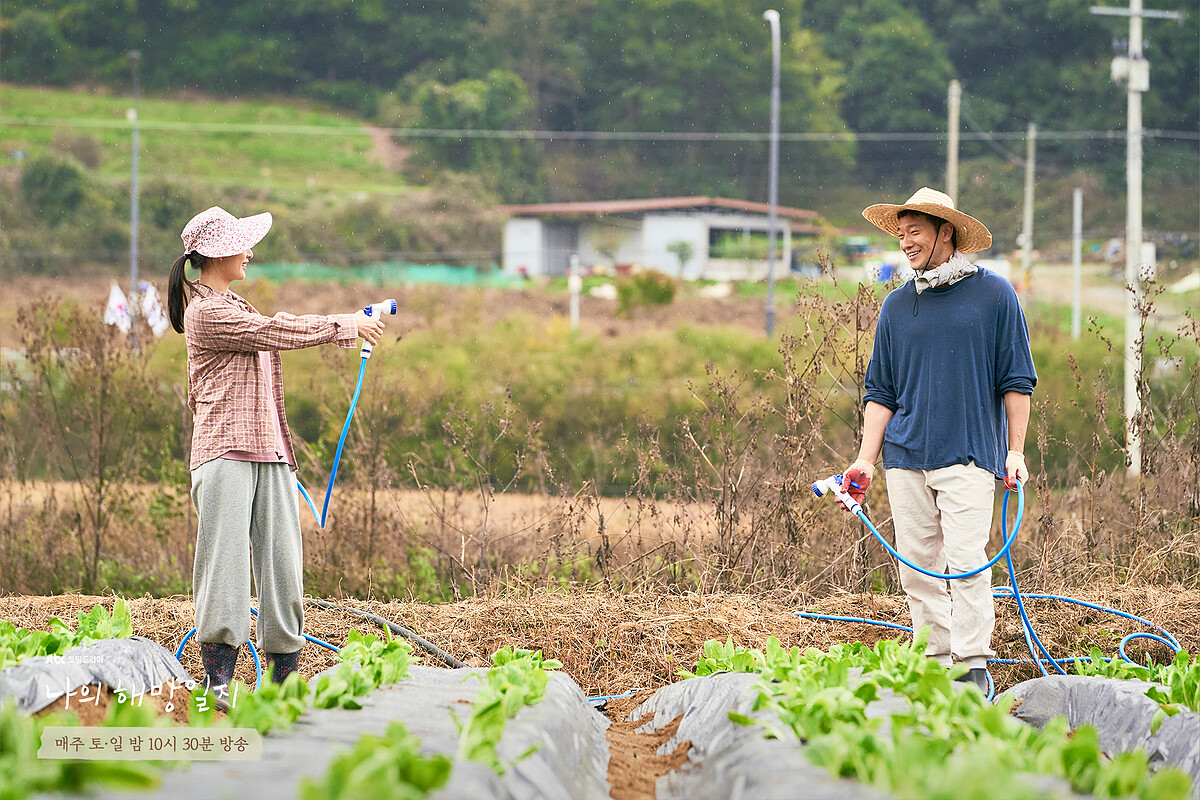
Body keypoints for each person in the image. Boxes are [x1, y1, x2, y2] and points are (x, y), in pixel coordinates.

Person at [166, 206, 385, 701]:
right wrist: (343, 324)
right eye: (243, 243)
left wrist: (344, 324)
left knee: (283, 564)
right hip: (225, 452)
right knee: (224, 566)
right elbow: (275, 332)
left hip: (270, 449)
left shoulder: (235, 305)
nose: (250, 251)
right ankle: (219, 680)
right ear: (218, 253)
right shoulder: (207, 312)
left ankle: (285, 681)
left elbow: (268, 331)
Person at [842, 188, 1037, 692]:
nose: (905, 243)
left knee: (968, 563)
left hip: (969, 454)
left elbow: (1016, 381)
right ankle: (932, 661)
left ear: (944, 232)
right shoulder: (895, 306)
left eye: (915, 232)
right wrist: (866, 460)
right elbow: (880, 391)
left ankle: (972, 666)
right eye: (900, 233)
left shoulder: (994, 295)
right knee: (919, 569)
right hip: (905, 456)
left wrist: (1014, 451)